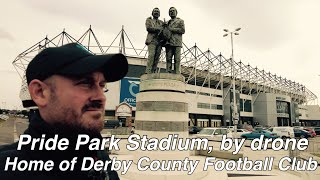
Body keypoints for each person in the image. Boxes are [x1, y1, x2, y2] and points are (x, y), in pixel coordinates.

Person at [0, 43, 128, 180]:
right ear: (40, 92)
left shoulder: (98, 155)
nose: (101, 97)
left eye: (102, 85)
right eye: (85, 83)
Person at [165, 7, 185, 74]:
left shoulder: (180, 21)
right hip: (169, 43)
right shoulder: (167, 22)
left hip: (177, 42)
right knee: (168, 58)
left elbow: (182, 30)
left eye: (173, 11)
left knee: (177, 59)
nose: (172, 12)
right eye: (170, 11)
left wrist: (171, 29)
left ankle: (177, 72)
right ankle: (168, 71)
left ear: (176, 12)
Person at [145, 7, 164, 74]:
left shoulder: (161, 22)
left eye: (158, 12)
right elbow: (149, 28)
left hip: (159, 41)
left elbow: (163, 30)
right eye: (155, 11)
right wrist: (158, 29)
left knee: (157, 57)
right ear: (152, 13)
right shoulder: (149, 20)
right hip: (152, 40)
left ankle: (154, 71)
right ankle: (148, 71)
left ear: (159, 14)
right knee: (151, 55)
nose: (156, 12)